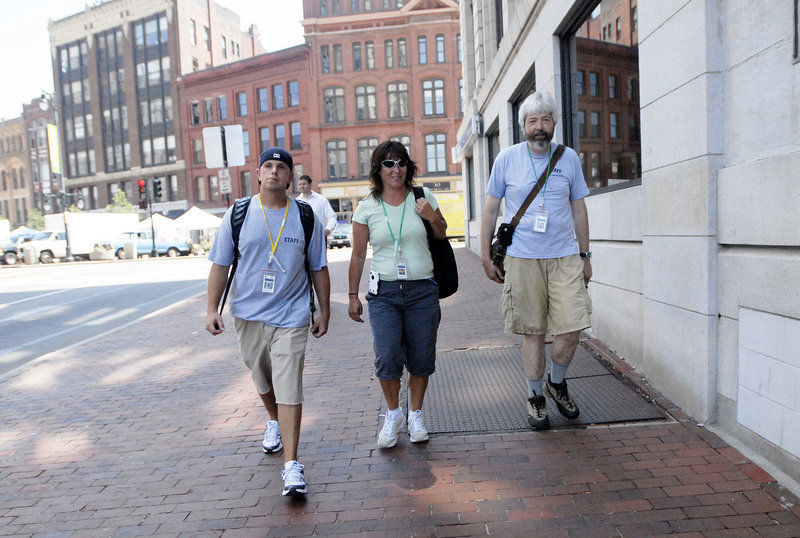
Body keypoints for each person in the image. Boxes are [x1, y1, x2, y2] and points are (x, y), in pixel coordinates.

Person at [205, 147, 331, 497]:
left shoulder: (305, 217)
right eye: (268, 166)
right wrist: (212, 309)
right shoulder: (239, 213)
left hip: (291, 315)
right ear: (258, 174)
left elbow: (318, 266)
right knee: (260, 374)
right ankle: (273, 418)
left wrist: (325, 309)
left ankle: (292, 465)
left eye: (282, 167)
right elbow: (220, 263)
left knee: (290, 382)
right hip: (248, 314)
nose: (275, 172)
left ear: (291, 177)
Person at [480, 90, 592, 431]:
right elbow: (489, 209)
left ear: (554, 123)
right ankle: (534, 396)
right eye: (532, 122)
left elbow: (579, 208)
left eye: (545, 120)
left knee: (572, 326)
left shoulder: (569, 158)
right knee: (532, 331)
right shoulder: (507, 159)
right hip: (523, 258)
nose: (539, 127)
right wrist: (485, 256)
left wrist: (585, 254)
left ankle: (555, 383)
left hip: (564, 257)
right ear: (523, 126)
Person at [347, 140, 448, 448]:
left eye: (401, 162)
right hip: (384, 294)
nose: (396, 169)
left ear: (409, 167)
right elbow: (358, 255)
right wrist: (353, 294)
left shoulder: (422, 197)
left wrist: (431, 215)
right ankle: (394, 414)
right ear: (378, 169)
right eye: (389, 164)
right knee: (388, 356)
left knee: (421, 357)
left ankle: (415, 414)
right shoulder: (367, 207)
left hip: (422, 290)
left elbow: (442, 232)